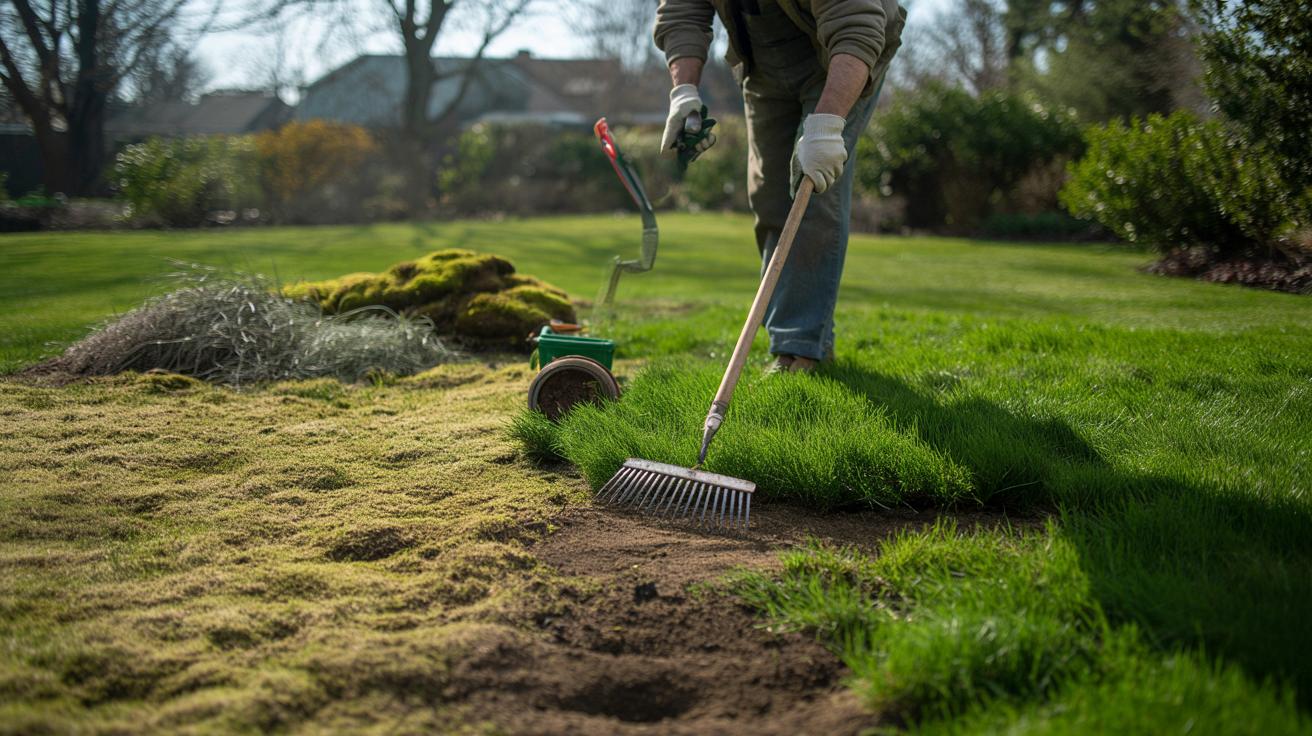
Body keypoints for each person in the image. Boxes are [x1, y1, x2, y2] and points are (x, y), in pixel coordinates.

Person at [655, 0, 905, 373]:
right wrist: (684, 91)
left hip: (838, 57)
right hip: (762, 62)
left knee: (814, 190)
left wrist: (826, 127)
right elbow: (682, 10)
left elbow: (855, 26)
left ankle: (798, 348)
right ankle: (803, 339)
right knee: (770, 198)